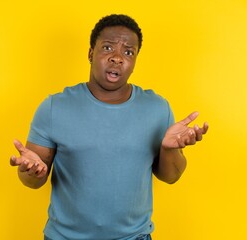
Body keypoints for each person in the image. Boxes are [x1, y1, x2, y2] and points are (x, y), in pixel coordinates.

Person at [10, 14, 208, 240]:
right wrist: (31, 171)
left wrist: (169, 149)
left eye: (128, 52)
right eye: (107, 48)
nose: (117, 58)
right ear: (90, 53)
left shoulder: (158, 109)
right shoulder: (55, 107)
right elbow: (32, 180)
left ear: (134, 62)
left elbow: (171, 176)